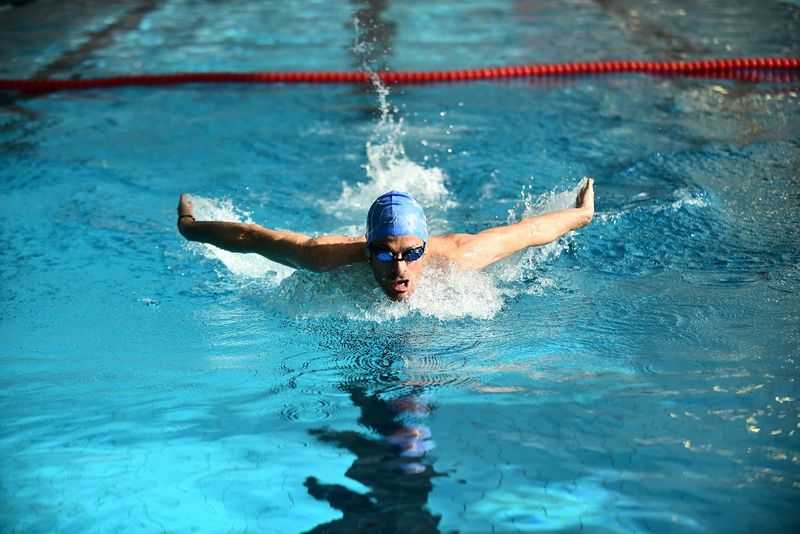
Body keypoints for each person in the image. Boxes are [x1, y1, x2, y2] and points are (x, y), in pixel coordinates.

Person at [177, 179, 594, 301]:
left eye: (412, 254)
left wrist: (581, 214)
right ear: (366, 247)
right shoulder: (325, 257)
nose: (399, 269)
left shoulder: (460, 255)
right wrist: (191, 228)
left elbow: (528, 233)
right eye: (384, 253)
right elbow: (253, 238)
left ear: (426, 248)